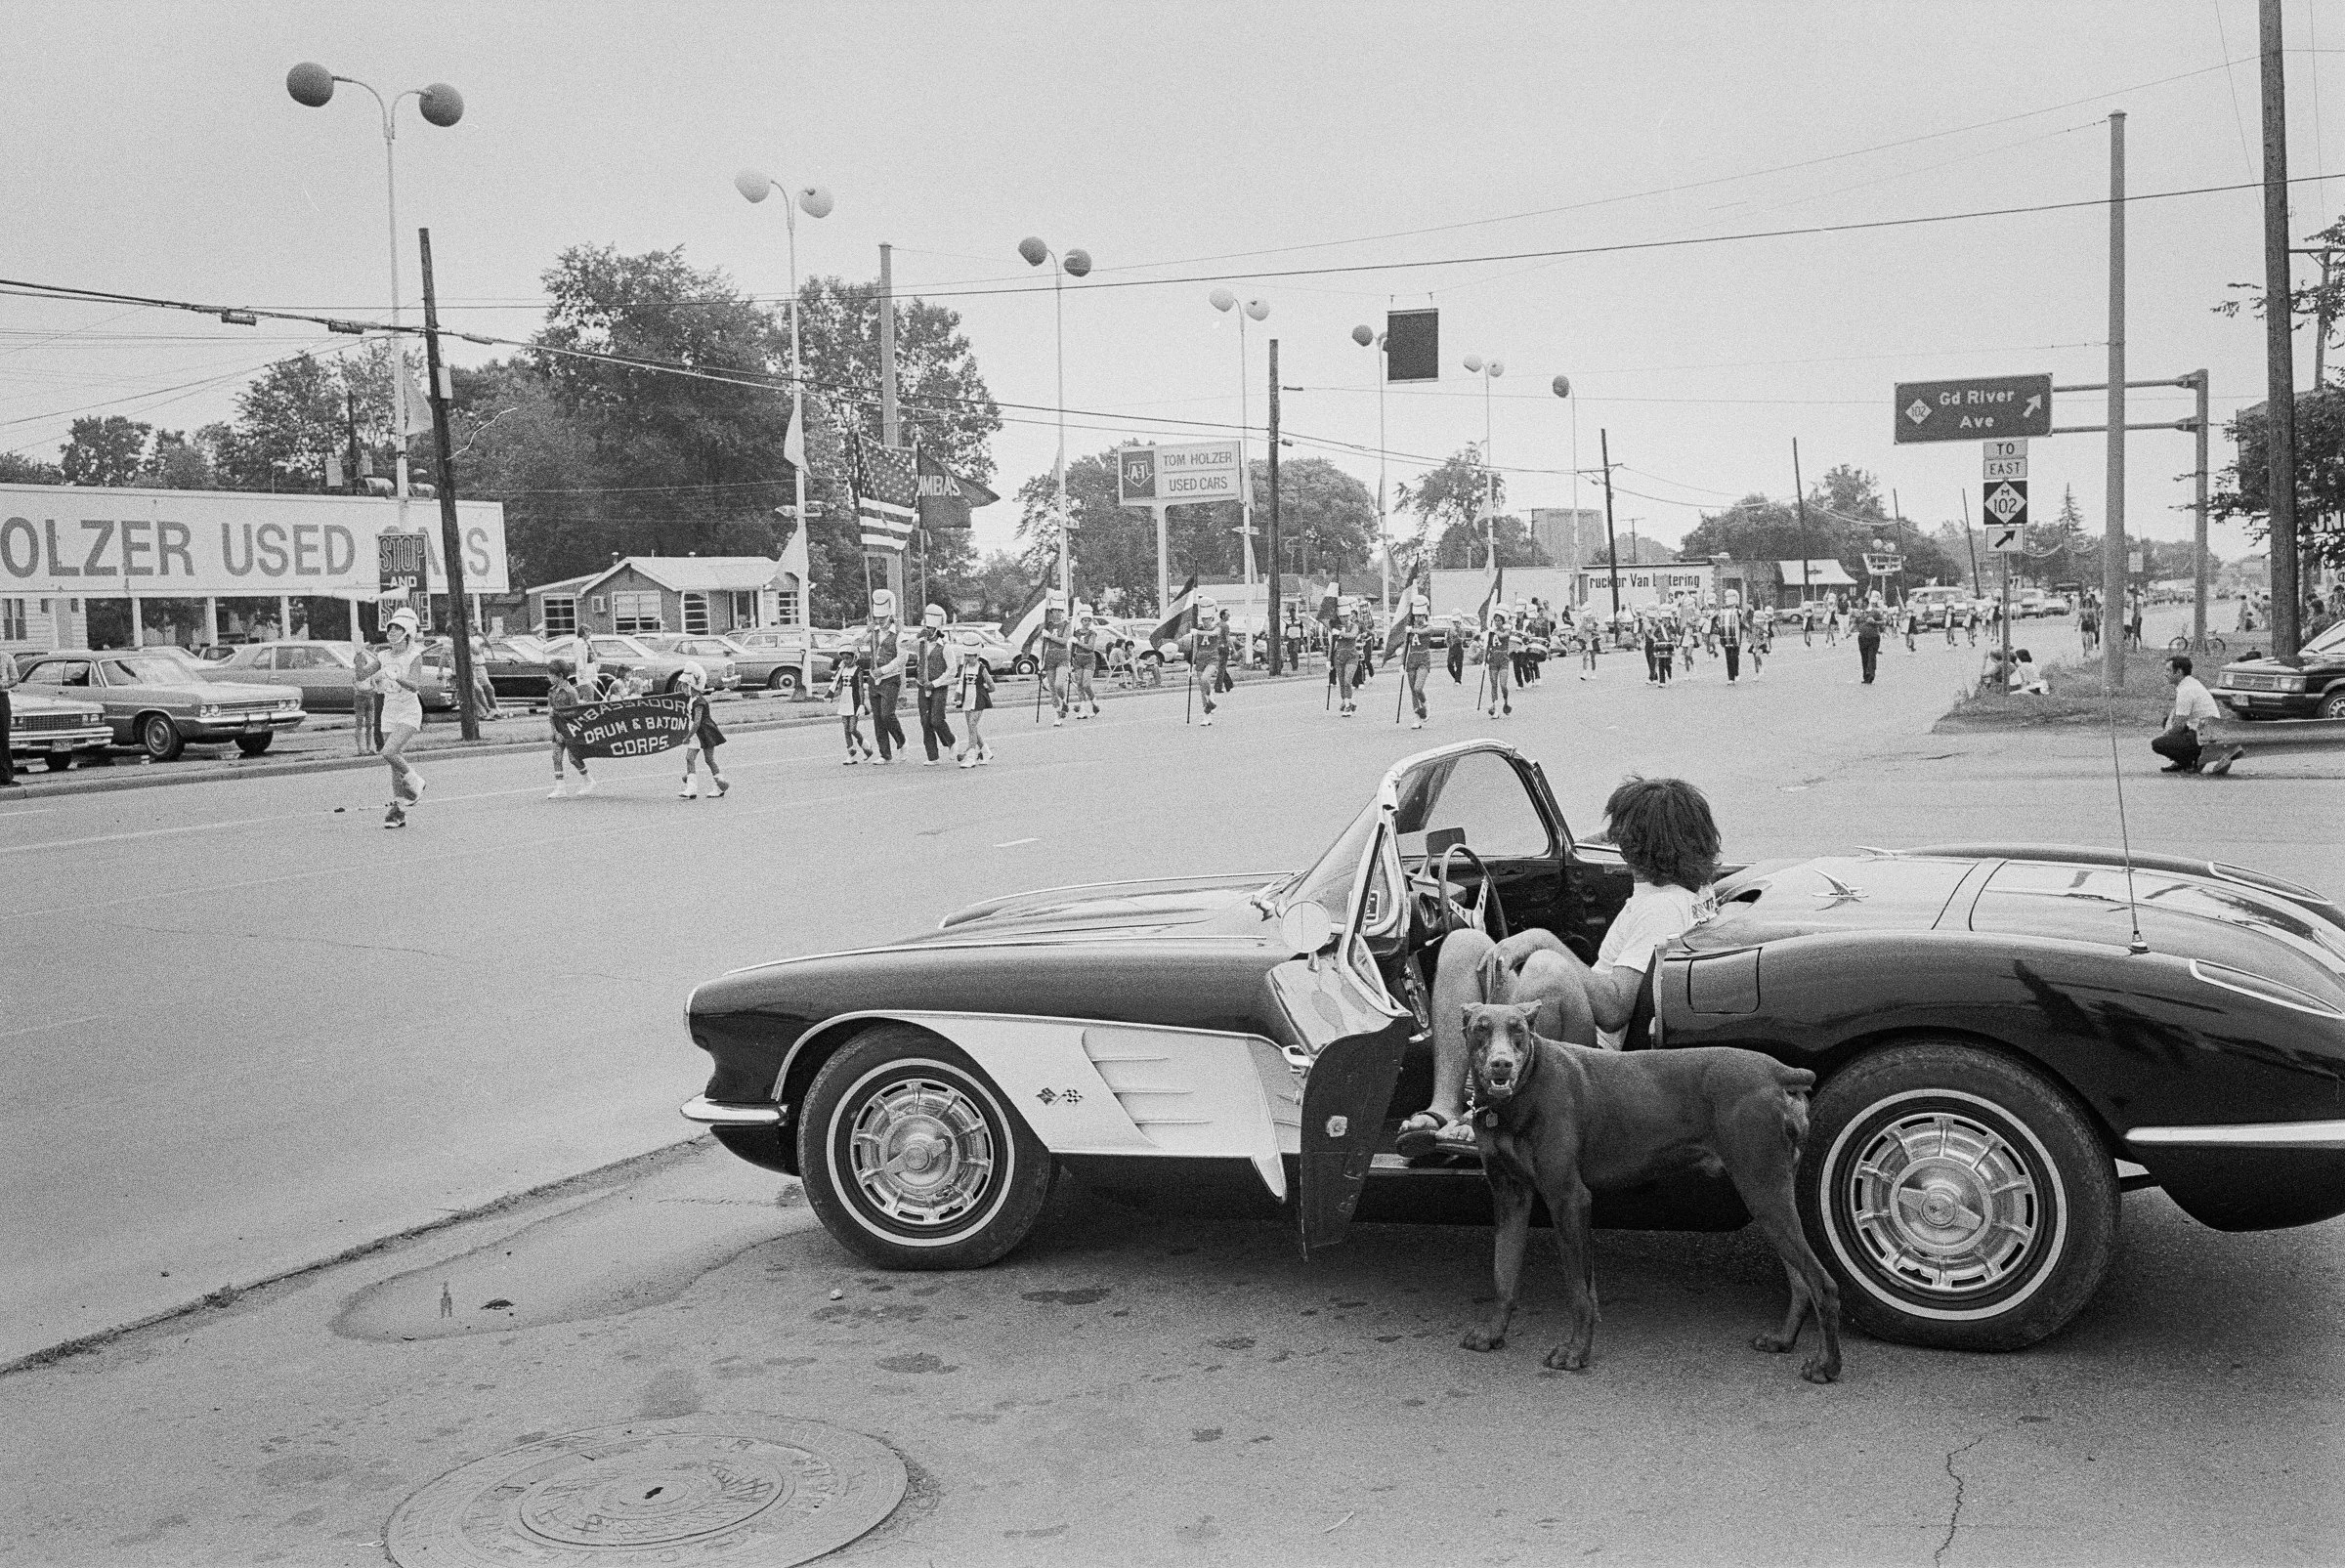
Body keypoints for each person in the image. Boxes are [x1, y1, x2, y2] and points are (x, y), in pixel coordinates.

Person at [1395, 776, 1725, 1158]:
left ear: (1639, 845)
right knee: (1465, 945)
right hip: (1586, 1042)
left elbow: (1615, 1010)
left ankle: (1492, 1115)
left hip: (1596, 1066)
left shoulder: (1661, 907)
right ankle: (1445, 1108)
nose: (1615, 840)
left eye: (1623, 833)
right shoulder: (1690, 891)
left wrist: (1542, 939)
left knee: (1547, 970)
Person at [370, 608, 429, 828]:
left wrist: (398, 677)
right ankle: (398, 812)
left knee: (389, 752)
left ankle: (416, 781)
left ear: (408, 632)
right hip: (389, 711)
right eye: (390, 628)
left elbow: (414, 686)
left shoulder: (415, 656)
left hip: (409, 710)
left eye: (397, 628)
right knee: (393, 763)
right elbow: (363, 674)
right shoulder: (383, 656)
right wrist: (359, 663)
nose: (392, 632)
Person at [2153, 653, 2235, 774]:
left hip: (2203, 735)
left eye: (2169, 670)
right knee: (2167, 723)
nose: (2165, 674)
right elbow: (2176, 716)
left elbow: (2179, 726)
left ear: (2179, 672)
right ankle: (2186, 760)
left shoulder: (2186, 691)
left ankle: (2189, 761)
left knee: (2157, 744)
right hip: (2207, 730)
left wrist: (2166, 736)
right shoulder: (2191, 683)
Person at [863, 590, 909, 763]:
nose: (880, 621)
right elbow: (855, 644)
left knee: (887, 715)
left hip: (890, 679)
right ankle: (885, 754)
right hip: (873, 680)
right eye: (877, 618)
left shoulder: (899, 635)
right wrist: (864, 631)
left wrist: (883, 670)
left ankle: (902, 742)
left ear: (890, 617)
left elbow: (902, 659)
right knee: (877, 718)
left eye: (883, 618)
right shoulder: (873, 634)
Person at [911, 605, 958, 766]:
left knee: (936, 720)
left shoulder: (945, 647)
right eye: (926, 628)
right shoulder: (920, 644)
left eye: (930, 629)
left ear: (937, 629)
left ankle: (950, 740)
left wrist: (936, 683)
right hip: (922, 687)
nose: (928, 631)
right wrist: (917, 636)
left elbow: (952, 671)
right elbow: (902, 645)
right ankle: (932, 756)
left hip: (939, 688)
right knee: (925, 721)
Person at [543, 657, 596, 798]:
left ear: (560, 676)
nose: (548, 677)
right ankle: (560, 788)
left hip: (570, 730)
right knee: (556, 756)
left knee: (574, 758)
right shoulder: (551, 691)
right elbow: (551, 714)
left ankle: (589, 780)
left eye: (550, 674)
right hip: (558, 730)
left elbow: (575, 712)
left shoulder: (571, 692)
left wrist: (561, 714)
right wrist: (555, 731)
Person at [677, 662, 730, 798]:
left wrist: (688, 737)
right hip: (701, 733)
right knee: (694, 758)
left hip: (703, 733)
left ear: (691, 686)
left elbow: (697, 722)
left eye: (684, 685)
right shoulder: (692, 699)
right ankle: (696, 787)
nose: (682, 687)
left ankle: (716, 785)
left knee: (706, 759)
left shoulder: (698, 702)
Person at [954, 636, 996, 767]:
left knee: (972, 725)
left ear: (977, 656)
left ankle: (971, 757)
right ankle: (986, 751)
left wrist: (982, 692)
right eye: (966, 655)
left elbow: (992, 686)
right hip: (967, 699)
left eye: (971, 656)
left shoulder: (981, 668)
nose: (968, 658)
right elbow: (960, 683)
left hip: (977, 700)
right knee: (972, 729)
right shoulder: (963, 668)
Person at [1184, 596, 1224, 725]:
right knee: (1202, 689)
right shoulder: (1199, 630)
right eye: (1203, 619)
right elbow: (1195, 647)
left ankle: (1211, 697)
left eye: (1207, 619)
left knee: (1205, 679)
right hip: (1200, 658)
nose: (1205, 621)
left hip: (1212, 658)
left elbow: (1213, 634)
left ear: (1212, 618)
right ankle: (1207, 716)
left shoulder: (1217, 627)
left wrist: (1197, 632)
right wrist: (1192, 664)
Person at [831, 646, 874, 764]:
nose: (846, 661)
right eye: (843, 658)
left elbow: (860, 688)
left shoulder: (858, 670)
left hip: (854, 702)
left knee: (852, 728)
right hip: (844, 701)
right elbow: (839, 688)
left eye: (848, 658)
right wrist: (831, 696)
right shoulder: (842, 670)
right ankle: (851, 754)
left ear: (854, 658)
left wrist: (861, 704)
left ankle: (865, 746)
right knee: (846, 729)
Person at [1038, 600, 1072, 725]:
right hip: (1050, 657)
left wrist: (1050, 636)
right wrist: (1040, 659)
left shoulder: (1067, 624)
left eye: (1059, 610)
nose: (1056, 613)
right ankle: (1058, 714)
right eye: (1054, 611)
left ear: (1062, 612)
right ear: (1051, 612)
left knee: (1059, 685)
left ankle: (1063, 701)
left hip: (1062, 656)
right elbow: (1044, 644)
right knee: (1052, 689)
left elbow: (1064, 641)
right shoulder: (1048, 625)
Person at [1069, 610, 1103, 720]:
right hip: (1078, 660)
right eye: (1084, 620)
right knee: (1079, 685)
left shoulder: (1092, 633)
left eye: (1088, 620)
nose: (1086, 622)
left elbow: (1090, 647)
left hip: (1089, 660)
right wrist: (1070, 658)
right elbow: (1072, 648)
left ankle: (1094, 702)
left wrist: (1077, 642)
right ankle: (1082, 710)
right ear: (1081, 621)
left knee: (1086, 685)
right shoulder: (1076, 632)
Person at [1482, 611, 1514, 716]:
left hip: (1504, 659)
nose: (1497, 622)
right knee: (1494, 684)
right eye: (1495, 620)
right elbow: (1486, 647)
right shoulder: (1491, 632)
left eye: (1499, 620)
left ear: (1503, 621)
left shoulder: (1506, 630)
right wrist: (1484, 661)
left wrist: (1495, 631)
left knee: (1503, 685)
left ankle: (1505, 701)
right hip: (1493, 660)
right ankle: (1494, 706)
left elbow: (1502, 635)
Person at [1328, 610, 1359, 716]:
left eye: (1347, 615)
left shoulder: (1354, 626)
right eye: (1342, 616)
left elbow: (1353, 635)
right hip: (1339, 657)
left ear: (1350, 615)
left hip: (1351, 656)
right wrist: (1328, 660)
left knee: (1347, 681)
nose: (1345, 618)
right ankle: (1347, 702)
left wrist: (1341, 633)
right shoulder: (1336, 627)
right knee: (1341, 683)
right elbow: (1332, 645)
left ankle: (1348, 707)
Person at [1855, 600, 1884, 685]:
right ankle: (1866, 677)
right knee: (1864, 658)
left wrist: (1874, 622)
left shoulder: (1875, 612)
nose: (1857, 604)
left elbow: (1883, 622)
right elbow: (1856, 623)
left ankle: (1871, 673)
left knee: (1871, 656)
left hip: (1874, 637)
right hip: (1862, 637)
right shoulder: (1860, 613)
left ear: (1865, 603)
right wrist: (1849, 630)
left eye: (1859, 602)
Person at [1719, 599, 1743, 683]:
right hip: (1726, 636)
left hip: (1736, 637)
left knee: (1735, 656)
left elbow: (1742, 621)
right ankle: (1731, 678)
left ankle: (1736, 673)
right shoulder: (1723, 612)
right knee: (1728, 657)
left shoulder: (1738, 611)